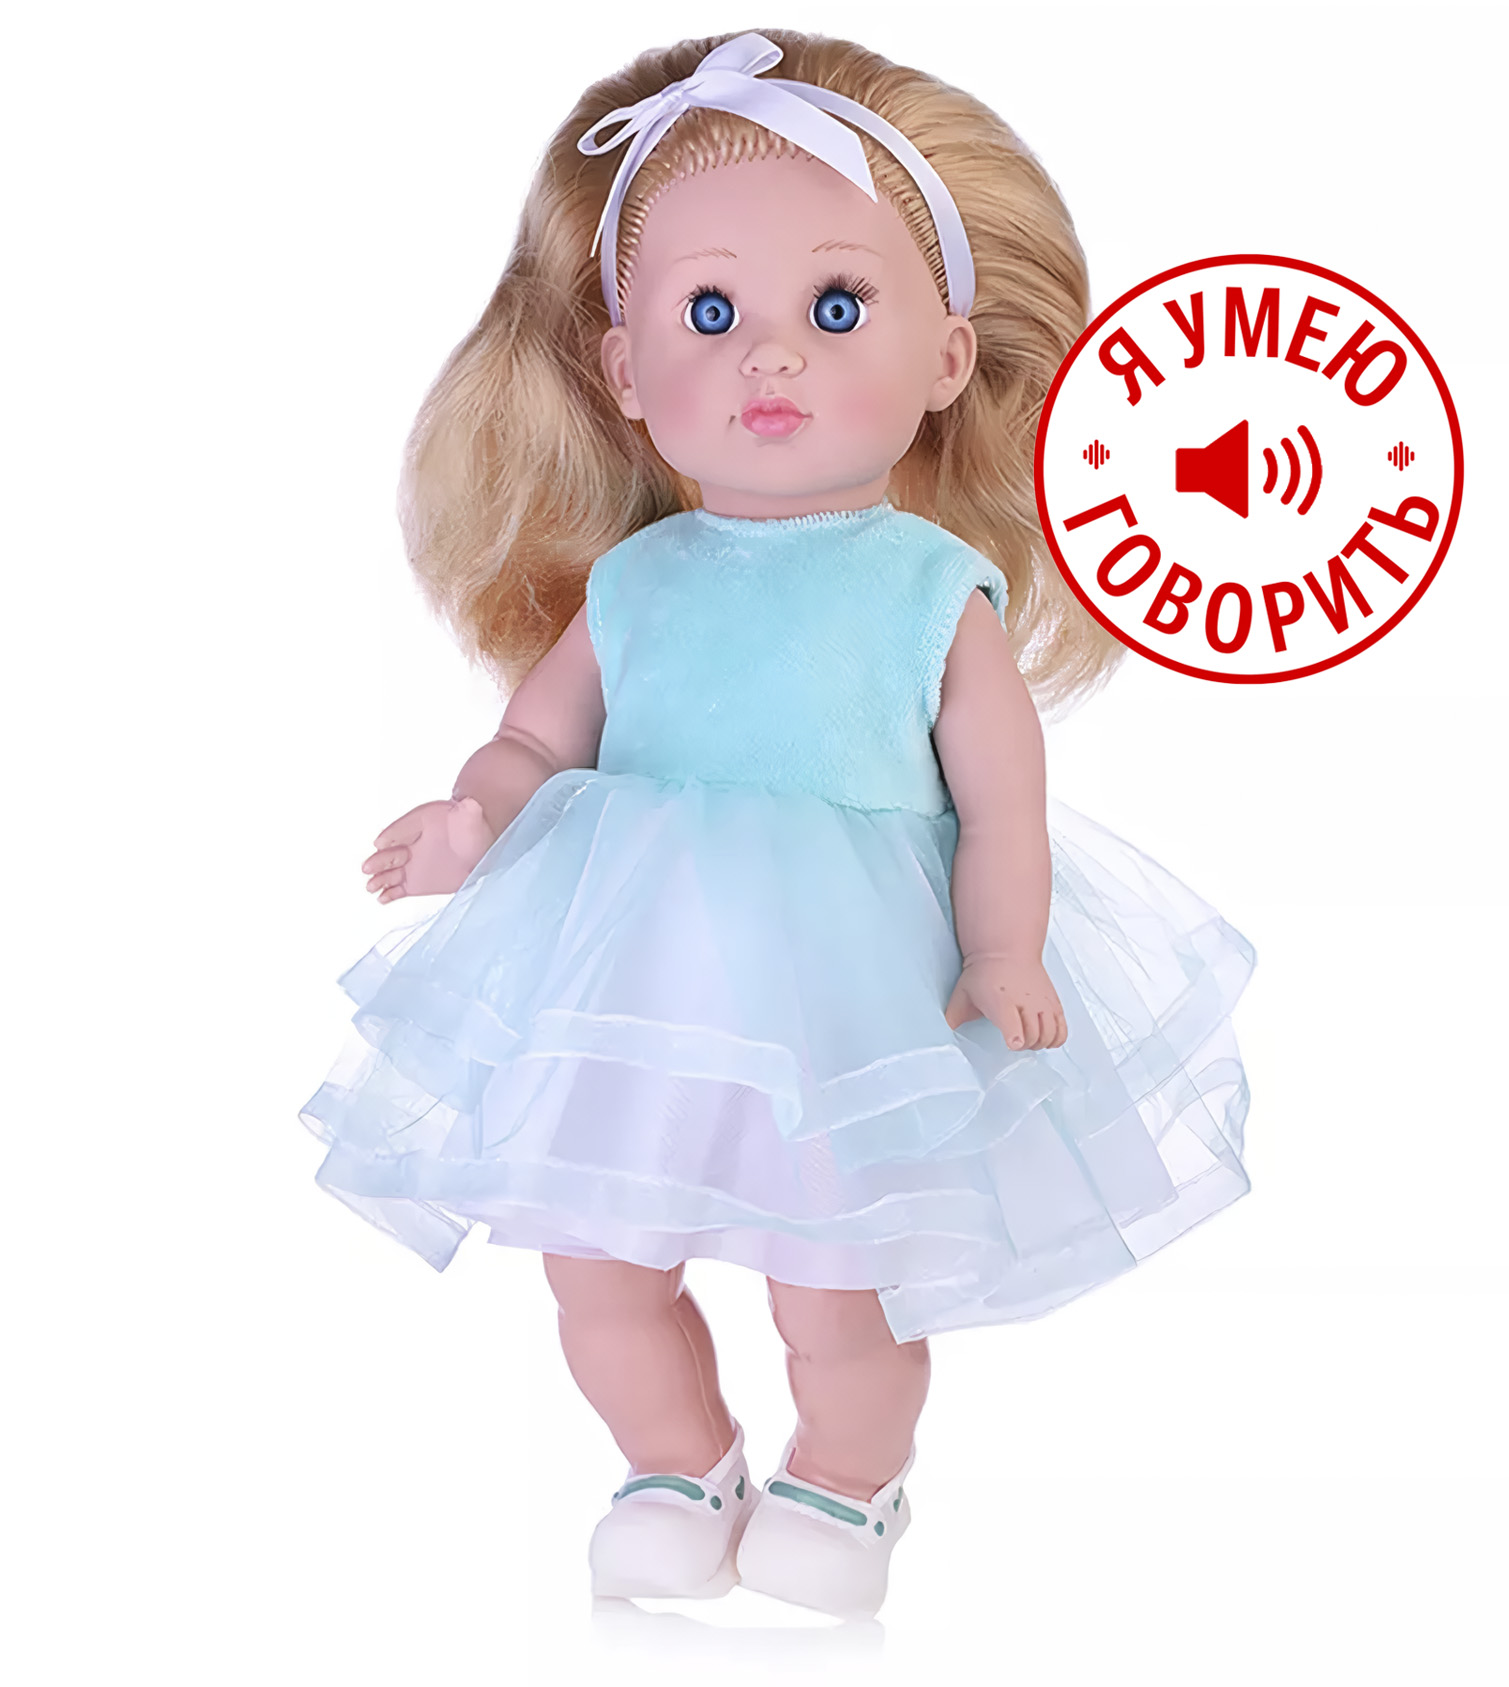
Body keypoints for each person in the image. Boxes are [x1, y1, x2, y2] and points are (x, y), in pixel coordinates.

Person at [301, 29, 1255, 1619]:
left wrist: (1003, 947)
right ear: (624, 374)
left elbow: (1001, 801)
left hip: (846, 992)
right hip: (629, 980)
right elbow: (534, 736)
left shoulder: (927, 591)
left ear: (946, 358)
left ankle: (843, 1483)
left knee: (839, 1280)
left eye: (834, 306)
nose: (768, 359)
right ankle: (674, 1463)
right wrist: (474, 819)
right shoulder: (634, 583)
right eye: (707, 313)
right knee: (597, 1261)